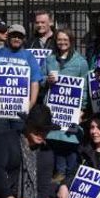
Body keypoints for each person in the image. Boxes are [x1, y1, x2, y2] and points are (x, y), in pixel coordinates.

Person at [41, 29, 89, 182]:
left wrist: (82, 109)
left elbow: (85, 87)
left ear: (71, 41)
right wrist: (47, 80)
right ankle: (60, 173)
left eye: (65, 39)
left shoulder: (81, 62)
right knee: (55, 140)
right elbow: (40, 79)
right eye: (59, 39)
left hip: (71, 109)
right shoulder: (49, 60)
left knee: (70, 140)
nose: (62, 42)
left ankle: (71, 175)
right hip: (53, 108)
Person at [0, 25, 44, 147]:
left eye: (20, 37)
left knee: (19, 143)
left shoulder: (29, 56)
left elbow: (34, 82)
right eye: (14, 36)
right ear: (8, 37)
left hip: (20, 110)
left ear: (24, 39)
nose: (17, 39)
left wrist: (31, 104)